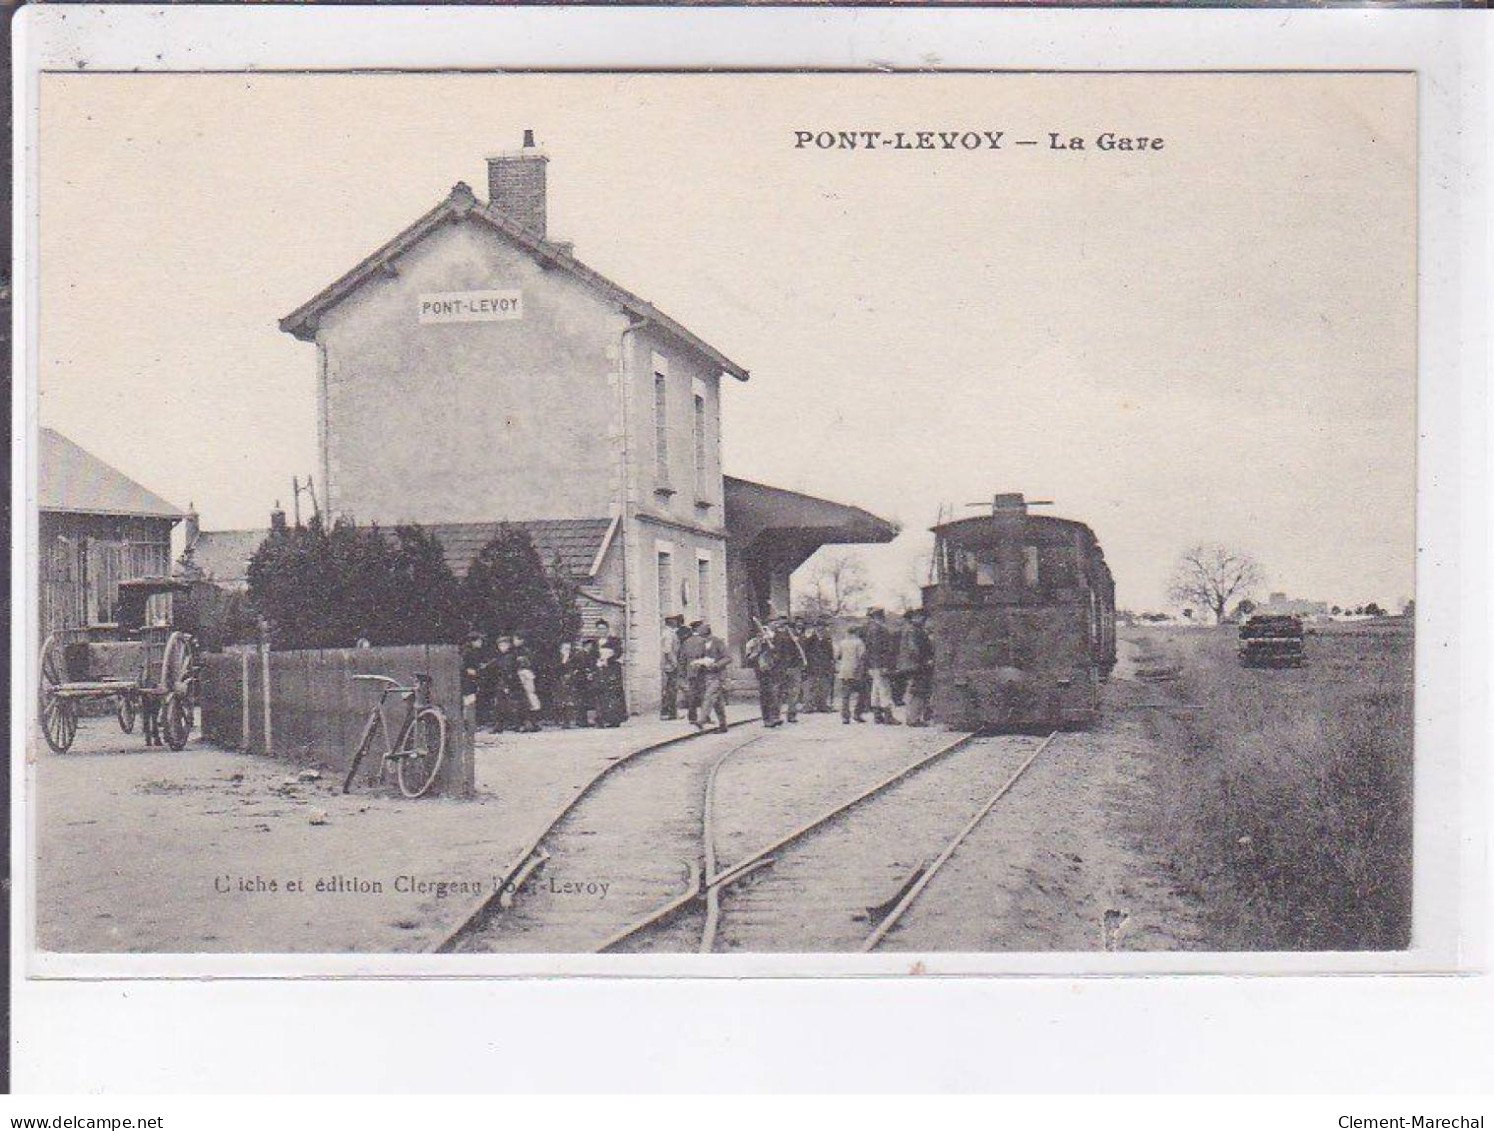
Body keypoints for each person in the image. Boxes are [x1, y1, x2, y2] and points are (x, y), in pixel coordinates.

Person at [682, 621, 730, 732]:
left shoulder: (717, 642)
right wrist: (698, 663)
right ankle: (723, 725)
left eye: (700, 633)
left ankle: (701, 720)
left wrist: (716, 665)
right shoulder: (701, 643)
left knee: (709, 696)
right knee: (717, 702)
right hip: (705, 676)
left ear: (706, 632)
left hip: (718, 675)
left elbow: (727, 658)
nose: (698, 635)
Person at [896, 610, 935, 727]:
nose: (929, 622)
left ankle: (912, 717)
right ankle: (913, 719)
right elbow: (914, 649)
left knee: (914, 690)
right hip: (917, 665)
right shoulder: (915, 631)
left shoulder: (912, 629)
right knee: (918, 691)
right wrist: (924, 660)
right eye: (927, 619)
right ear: (919, 617)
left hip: (914, 664)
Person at [862, 608, 900, 725]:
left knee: (876, 689)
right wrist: (884, 665)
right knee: (884, 689)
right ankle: (888, 716)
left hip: (873, 664)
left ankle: (877, 715)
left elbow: (869, 649)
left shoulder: (871, 629)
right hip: (880, 664)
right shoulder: (879, 629)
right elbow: (880, 649)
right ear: (879, 616)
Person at [744, 619, 782, 727]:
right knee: (766, 694)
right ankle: (767, 719)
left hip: (775, 669)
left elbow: (779, 654)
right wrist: (759, 648)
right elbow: (749, 658)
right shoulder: (752, 643)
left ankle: (775, 716)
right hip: (762, 671)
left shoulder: (775, 639)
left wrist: (772, 648)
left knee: (775, 693)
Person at [593, 618, 627, 727]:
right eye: (599, 629)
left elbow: (618, 653)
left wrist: (608, 659)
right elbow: (591, 656)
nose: (601, 631)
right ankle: (601, 718)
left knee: (613, 694)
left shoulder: (614, 641)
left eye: (603, 629)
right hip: (600, 670)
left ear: (607, 629)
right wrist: (596, 662)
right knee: (601, 694)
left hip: (612, 670)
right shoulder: (595, 642)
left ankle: (615, 719)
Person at [834, 624, 868, 724]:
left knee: (845, 695)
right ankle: (857, 713)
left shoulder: (842, 642)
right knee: (863, 693)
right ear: (856, 632)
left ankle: (845, 717)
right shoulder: (859, 642)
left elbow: (837, 656)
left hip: (844, 670)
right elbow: (862, 657)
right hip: (856, 670)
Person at [778, 617, 809, 723]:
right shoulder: (785, 636)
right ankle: (776, 715)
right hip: (785, 667)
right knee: (781, 691)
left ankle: (791, 715)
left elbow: (804, 651)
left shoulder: (802, 637)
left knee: (794, 692)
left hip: (796, 667)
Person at [511, 632, 542, 732]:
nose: (514, 641)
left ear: (521, 640)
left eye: (516, 639)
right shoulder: (515, 651)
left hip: (525, 676)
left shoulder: (525, 652)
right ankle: (526, 723)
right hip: (521, 676)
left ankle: (530, 723)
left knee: (528, 699)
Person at [803, 619, 836, 712]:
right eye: (819, 626)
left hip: (825, 666)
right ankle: (808, 706)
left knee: (824, 686)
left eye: (822, 627)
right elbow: (805, 652)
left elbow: (830, 653)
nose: (821, 628)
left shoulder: (827, 639)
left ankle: (822, 705)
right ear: (815, 628)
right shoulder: (810, 639)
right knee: (811, 686)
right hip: (812, 666)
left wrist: (831, 664)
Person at [659, 614, 683, 721]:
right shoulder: (669, 634)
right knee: (671, 689)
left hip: (668, 665)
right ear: (671, 622)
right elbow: (668, 651)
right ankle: (670, 713)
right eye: (675, 620)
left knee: (669, 689)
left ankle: (668, 713)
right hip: (670, 666)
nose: (677, 622)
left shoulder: (668, 633)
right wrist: (675, 664)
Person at [680, 620, 703, 725]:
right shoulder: (704, 641)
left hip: (691, 671)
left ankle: (692, 716)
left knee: (692, 694)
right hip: (702, 671)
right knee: (705, 694)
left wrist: (683, 672)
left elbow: (682, 658)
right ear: (698, 629)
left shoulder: (686, 641)